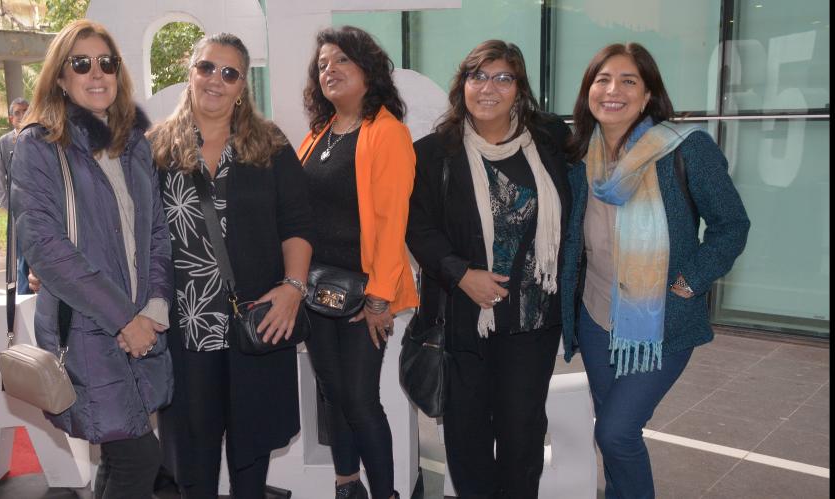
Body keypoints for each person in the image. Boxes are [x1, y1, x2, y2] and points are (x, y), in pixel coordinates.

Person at [560, 42, 750, 499]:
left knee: (616, 433)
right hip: (596, 317)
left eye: (628, 81)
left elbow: (731, 225)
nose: (613, 90)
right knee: (614, 432)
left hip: (660, 322)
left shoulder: (686, 149)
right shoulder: (579, 159)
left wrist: (691, 282)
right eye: (603, 80)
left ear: (647, 95)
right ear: (588, 91)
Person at [10, 19, 173, 499]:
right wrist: (124, 318)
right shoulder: (40, 145)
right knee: (139, 459)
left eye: (107, 62)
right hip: (85, 328)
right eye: (81, 63)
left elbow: (156, 232)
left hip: (142, 324)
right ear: (60, 77)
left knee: (119, 451)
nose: (96, 73)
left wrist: (154, 307)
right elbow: (45, 248)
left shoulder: (134, 143)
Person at [149, 33, 313, 498]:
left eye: (229, 73)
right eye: (206, 67)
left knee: (251, 451)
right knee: (191, 455)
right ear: (190, 72)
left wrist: (293, 287)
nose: (216, 80)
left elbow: (298, 223)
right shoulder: (155, 148)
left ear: (242, 86)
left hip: (256, 320)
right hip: (184, 329)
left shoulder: (270, 144)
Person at [406, 40, 571, 498]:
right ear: (463, 85)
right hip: (464, 317)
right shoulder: (434, 153)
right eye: (478, 76)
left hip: (534, 320)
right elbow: (417, 227)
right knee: (467, 435)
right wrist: (461, 274)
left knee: (522, 434)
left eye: (503, 78)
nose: (489, 88)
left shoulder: (551, 140)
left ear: (519, 89)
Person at [297, 25, 418, 499]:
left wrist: (379, 299)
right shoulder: (318, 134)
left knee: (361, 399)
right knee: (332, 394)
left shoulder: (387, 132)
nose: (330, 69)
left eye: (342, 60)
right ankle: (347, 485)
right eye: (323, 64)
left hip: (365, 295)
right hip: (316, 289)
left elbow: (392, 223)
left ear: (368, 69)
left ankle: (385, 493)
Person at [0, 97, 32, 294]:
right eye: (17, 112)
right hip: (18, 212)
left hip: (46, 209)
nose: (23, 115)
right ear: (10, 119)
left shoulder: (43, 138)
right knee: (23, 261)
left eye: (26, 111)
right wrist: (9, 204)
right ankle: (24, 299)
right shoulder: (3, 143)